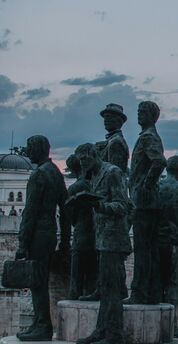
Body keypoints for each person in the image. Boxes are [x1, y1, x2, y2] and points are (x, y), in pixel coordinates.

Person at [15, 135, 70, 341]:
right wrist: (65, 240)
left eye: (30, 148)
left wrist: (22, 242)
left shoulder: (38, 175)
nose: (28, 153)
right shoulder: (56, 172)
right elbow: (65, 209)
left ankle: (43, 325)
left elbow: (30, 211)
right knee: (41, 280)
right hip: (49, 233)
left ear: (39, 149)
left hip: (37, 234)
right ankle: (39, 323)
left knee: (37, 281)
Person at [74, 143, 131, 344]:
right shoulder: (95, 175)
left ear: (93, 155)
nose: (82, 164)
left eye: (84, 159)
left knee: (113, 288)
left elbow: (123, 205)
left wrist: (99, 205)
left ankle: (114, 335)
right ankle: (101, 330)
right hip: (103, 238)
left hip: (114, 239)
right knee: (106, 287)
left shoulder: (112, 172)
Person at [125, 101, 166, 305]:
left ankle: (140, 293)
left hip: (144, 203)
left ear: (152, 116)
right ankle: (152, 293)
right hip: (147, 202)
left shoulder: (148, 136)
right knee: (149, 250)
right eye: (138, 111)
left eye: (142, 112)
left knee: (143, 250)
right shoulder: (149, 135)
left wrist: (145, 186)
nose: (139, 115)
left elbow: (159, 162)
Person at [157, 156, 178, 335]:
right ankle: (171, 325)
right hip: (173, 242)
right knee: (172, 283)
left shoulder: (157, 187)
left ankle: (156, 320)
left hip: (156, 241)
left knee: (157, 283)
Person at [65, 154, 97, 300]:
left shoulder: (74, 188)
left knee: (76, 276)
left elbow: (70, 217)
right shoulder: (94, 184)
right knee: (92, 275)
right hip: (96, 235)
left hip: (81, 234)